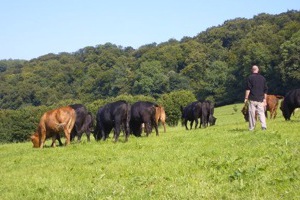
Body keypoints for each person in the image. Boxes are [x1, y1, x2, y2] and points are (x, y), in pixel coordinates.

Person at [244, 65, 268, 131]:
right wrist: (265, 99)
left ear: (252, 70)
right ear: (258, 70)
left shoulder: (250, 78)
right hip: (260, 99)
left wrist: (246, 98)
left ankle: (251, 128)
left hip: (252, 99)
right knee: (261, 113)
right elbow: (265, 90)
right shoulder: (263, 78)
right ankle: (264, 126)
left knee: (252, 114)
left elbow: (248, 89)